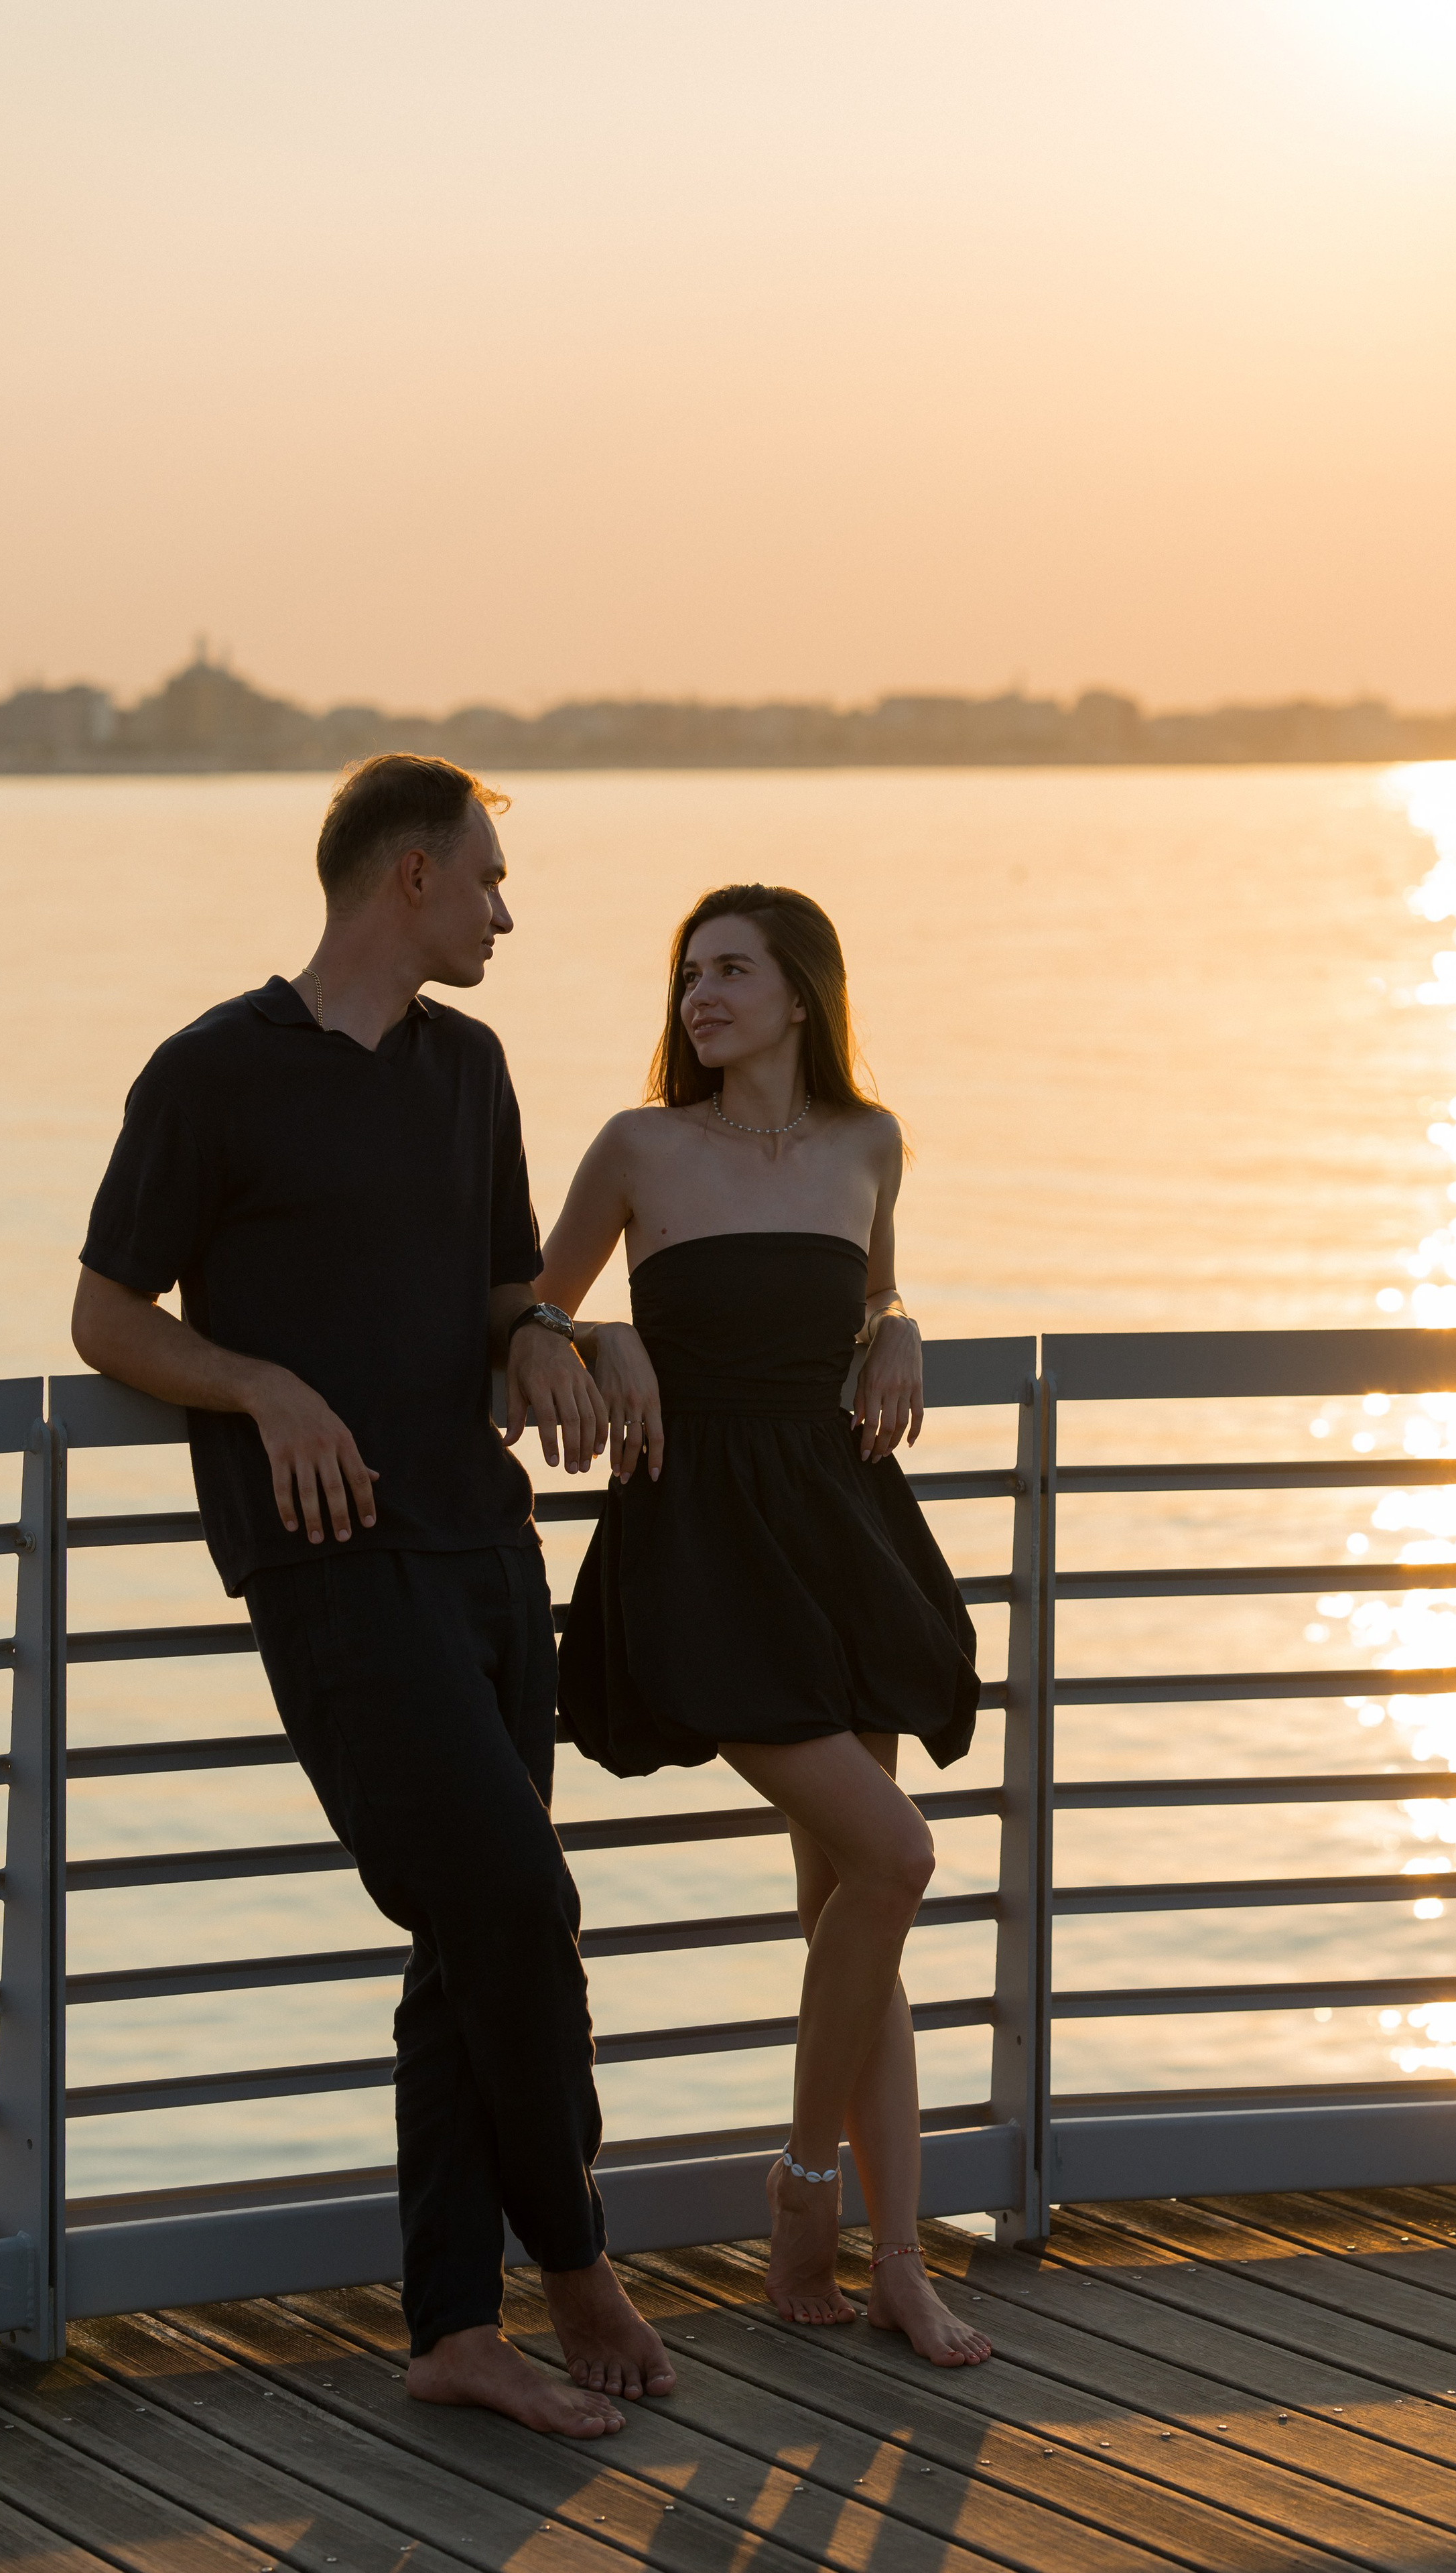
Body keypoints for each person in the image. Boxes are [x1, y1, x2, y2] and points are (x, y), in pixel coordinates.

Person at [69, 753, 674, 2438]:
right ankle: (573, 2260)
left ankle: (450, 2328)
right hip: (333, 1567)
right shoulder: (211, 1073)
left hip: (490, 1553)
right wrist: (258, 1387)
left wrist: (556, 1333)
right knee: (514, 1906)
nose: (503, 915)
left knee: (464, 1938)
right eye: (487, 879)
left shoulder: (468, 1068)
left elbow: (497, 1292)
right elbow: (107, 1315)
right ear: (410, 875)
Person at [539, 882, 991, 2366]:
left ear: (802, 991)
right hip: (703, 1554)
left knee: (849, 1909)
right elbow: (519, 1322)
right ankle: (803, 2187)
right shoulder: (639, 1146)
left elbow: (869, 1292)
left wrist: (899, 1321)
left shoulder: (870, 1142)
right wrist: (602, 1333)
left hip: (840, 1535)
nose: (701, 998)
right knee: (894, 1857)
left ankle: (899, 2262)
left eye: (731, 971)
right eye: (688, 975)